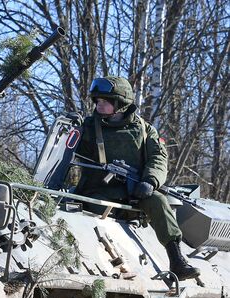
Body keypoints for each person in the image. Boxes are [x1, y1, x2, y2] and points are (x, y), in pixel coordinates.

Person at [75, 76, 199, 280]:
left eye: (105, 102)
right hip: (98, 192)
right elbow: (67, 149)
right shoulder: (88, 126)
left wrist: (150, 181)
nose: (99, 105)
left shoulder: (144, 129)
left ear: (120, 104)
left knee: (159, 201)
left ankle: (177, 260)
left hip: (136, 191)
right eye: (97, 101)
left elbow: (158, 158)